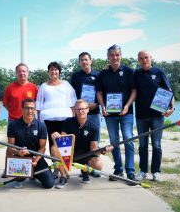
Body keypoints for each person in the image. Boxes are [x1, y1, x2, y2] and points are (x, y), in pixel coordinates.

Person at [51, 99, 113, 189]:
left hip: (86, 155)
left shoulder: (94, 127)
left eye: (83, 109)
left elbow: (93, 150)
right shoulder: (67, 122)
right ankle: (63, 177)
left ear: (88, 109)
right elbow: (61, 142)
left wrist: (103, 151)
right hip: (70, 154)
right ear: (74, 110)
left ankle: (85, 170)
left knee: (98, 165)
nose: (81, 111)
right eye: (78, 109)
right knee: (54, 148)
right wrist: (55, 138)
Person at [96, 44, 136, 181]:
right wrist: (103, 106)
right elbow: (99, 92)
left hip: (127, 113)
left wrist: (127, 106)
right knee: (114, 142)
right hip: (109, 115)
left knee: (128, 140)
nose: (115, 57)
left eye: (117, 54)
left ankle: (130, 171)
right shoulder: (103, 73)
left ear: (121, 55)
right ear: (108, 57)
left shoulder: (129, 71)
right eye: (112, 55)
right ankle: (118, 169)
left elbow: (134, 91)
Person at [134, 50, 174, 182]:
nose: (144, 60)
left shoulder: (159, 72)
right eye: (141, 58)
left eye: (146, 57)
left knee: (156, 145)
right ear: (138, 60)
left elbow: (169, 91)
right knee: (142, 145)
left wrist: (171, 107)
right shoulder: (136, 74)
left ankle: (156, 171)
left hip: (157, 115)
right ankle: (143, 171)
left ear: (151, 58)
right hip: (141, 116)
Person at [36, 61, 77, 180]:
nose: (53, 72)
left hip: (65, 118)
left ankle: (65, 168)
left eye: (56, 70)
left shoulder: (66, 85)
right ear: (48, 72)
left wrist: (73, 117)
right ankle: (56, 168)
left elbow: (73, 102)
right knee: (52, 145)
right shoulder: (44, 86)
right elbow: (39, 104)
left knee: (64, 145)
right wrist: (39, 119)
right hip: (48, 119)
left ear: (59, 71)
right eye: (51, 70)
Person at [6, 98, 55, 189]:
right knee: (19, 178)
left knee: (49, 184)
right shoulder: (13, 125)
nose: (29, 111)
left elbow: (42, 148)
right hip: (20, 159)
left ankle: (33, 173)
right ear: (22, 109)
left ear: (35, 110)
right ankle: (23, 175)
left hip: (36, 159)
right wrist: (18, 152)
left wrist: (36, 160)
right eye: (27, 108)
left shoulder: (41, 125)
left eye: (32, 108)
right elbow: (10, 147)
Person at [1, 63, 38, 178]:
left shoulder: (33, 88)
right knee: (11, 147)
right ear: (16, 73)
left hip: (30, 122)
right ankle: (8, 169)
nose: (22, 73)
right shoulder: (10, 87)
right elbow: (5, 103)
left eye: (24, 71)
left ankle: (32, 168)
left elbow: (37, 104)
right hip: (14, 121)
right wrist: (13, 112)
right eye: (19, 71)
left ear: (28, 73)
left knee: (31, 146)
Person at [70, 52, 101, 141]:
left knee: (95, 136)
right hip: (80, 111)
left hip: (94, 110)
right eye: (81, 60)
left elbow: (101, 92)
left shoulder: (98, 75)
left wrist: (97, 104)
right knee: (80, 135)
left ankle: (95, 154)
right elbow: (72, 94)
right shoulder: (76, 76)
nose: (84, 62)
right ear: (79, 63)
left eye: (86, 59)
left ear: (90, 61)